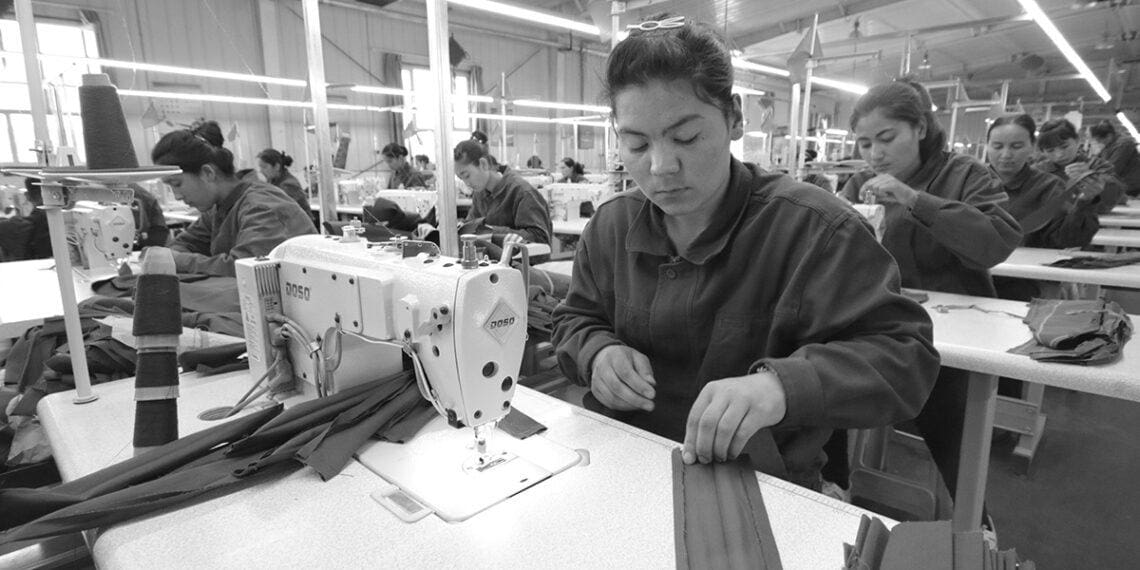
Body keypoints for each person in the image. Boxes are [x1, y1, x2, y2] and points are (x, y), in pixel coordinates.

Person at [551, 16, 939, 492]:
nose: (661, 166)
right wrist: (597, 352)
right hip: (627, 461)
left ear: (734, 117)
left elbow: (904, 357)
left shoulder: (816, 230)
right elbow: (574, 319)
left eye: (686, 138)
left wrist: (781, 387)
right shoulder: (610, 227)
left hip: (762, 483)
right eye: (636, 144)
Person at [843, 80, 1021, 533]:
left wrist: (913, 199)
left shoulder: (965, 175)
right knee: (822, 385)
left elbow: (993, 244)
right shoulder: (859, 184)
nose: (875, 154)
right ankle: (831, 493)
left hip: (956, 329)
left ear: (920, 128)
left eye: (887, 138)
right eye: (865, 143)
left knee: (947, 414)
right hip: (883, 319)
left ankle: (975, 526)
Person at [153, 129, 316, 277]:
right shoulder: (217, 208)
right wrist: (175, 257)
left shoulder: (261, 207)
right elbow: (183, 244)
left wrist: (181, 260)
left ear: (208, 173)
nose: (177, 196)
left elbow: (246, 270)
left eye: (177, 184)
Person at [987, 114, 1098, 252]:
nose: (1006, 155)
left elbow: (1067, 240)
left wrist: (1084, 203)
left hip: (1025, 265)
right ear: (987, 146)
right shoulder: (969, 181)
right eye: (997, 146)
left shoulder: (1048, 187)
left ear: (1032, 146)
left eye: (1016, 146)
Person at [454, 139, 552, 247]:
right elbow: (472, 225)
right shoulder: (480, 193)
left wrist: (491, 231)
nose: (467, 183)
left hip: (519, 257)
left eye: (467, 176)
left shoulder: (522, 193)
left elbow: (540, 240)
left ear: (483, 164)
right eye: (461, 178)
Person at [1034, 118, 1125, 214]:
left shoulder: (1098, 166)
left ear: (1077, 140)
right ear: (1042, 152)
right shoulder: (1037, 172)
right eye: (1050, 151)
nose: (1059, 155)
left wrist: (1095, 178)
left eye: (1064, 147)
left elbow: (1117, 196)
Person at [1090, 120, 1140, 197]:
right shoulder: (1109, 144)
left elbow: (1112, 168)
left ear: (1109, 136)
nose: (1099, 142)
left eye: (1099, 140)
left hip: (1130, 186)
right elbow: (1097, 160)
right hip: (1119, 185)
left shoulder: (1124, 144)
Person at [257, 148, 312, 217]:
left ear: (277, 166)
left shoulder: (288, 185)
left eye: (264, 167)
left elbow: (280, 211)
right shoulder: (272, 181)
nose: (261, 171)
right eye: (260, 167)